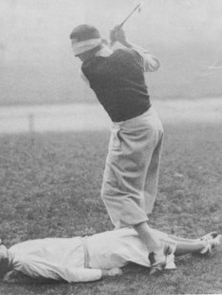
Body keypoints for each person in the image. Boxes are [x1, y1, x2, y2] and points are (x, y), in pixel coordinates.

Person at [69, 24, 166, 274]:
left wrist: (112, 44)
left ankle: (153, 247)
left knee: (113, 192)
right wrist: (124, 42)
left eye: (80, 52)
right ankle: (132, 238)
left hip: (131, 129)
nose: (78, 57)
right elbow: (154, 63)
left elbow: (104, 59)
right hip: (151, 122)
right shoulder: (129, 56)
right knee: (138, 188)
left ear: (89, 51)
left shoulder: (89, 70)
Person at [0, 229, 220, 285]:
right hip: (97, 256)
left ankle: (200, 243)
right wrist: (105, 274)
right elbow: (66, 274)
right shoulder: (24, 262)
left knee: (145, 234)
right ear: (1, 264)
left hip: (90, 245)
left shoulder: (10, 255)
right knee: (148, 242)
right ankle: (202, 245)